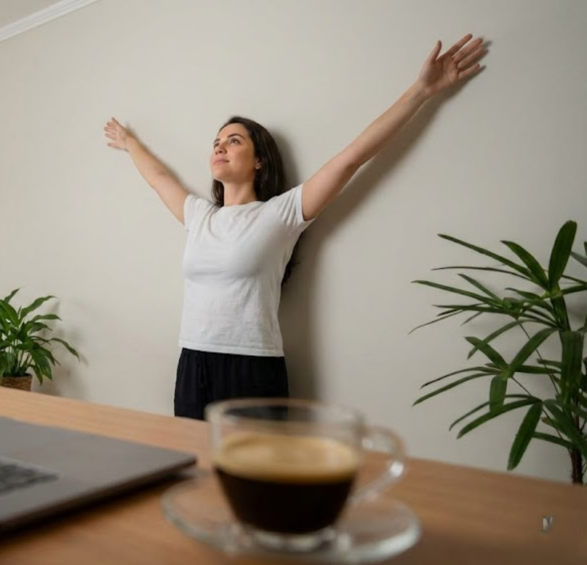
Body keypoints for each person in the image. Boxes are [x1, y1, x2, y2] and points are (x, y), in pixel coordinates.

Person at [104, 35, 486, 420]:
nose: (219, 147)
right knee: (195, 471)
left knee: (257, 478)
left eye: (233, 141)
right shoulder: (200, 216)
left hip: (251, 367)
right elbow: (158, 178)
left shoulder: (281, 214)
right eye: (216, 142)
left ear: (259, 161)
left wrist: (421, 91)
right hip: (192, 362)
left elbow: (351, 158)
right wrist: (130, 142)